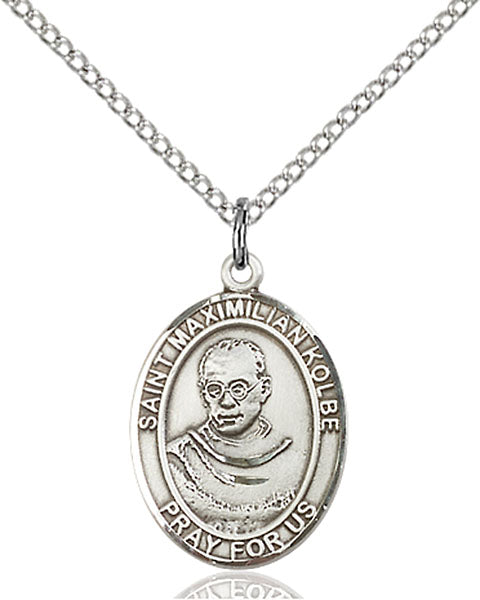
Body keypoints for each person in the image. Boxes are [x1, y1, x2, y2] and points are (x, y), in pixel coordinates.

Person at [166, 338, 296, 535]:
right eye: (214, 390)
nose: (226, 402)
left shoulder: (290, 459)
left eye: (238, 389)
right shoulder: (178, 460)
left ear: (264, 389)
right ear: (203, 394)